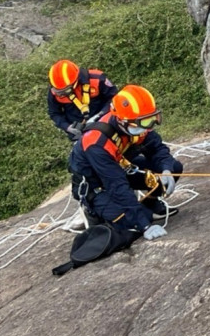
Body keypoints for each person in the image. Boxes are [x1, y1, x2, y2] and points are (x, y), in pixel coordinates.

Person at [67, 84, 182, 242]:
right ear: (122, 122)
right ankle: (93, 211)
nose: (147, 127)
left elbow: (157, 149)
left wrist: (167, 170)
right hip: (97, 184)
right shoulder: (96, 143)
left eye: (150, 119)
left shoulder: (136, 123)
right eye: (144, 122)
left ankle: (149, 205)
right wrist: (144, 226)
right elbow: (116, 185)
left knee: (175, 167)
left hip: (121, 168)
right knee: (125, 224)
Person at [47, 59, 118, 144]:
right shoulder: (54, 93)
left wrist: (101, 115)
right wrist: (67, 127)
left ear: (75, 82)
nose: (60, 94)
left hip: (106, 121)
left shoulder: (96, 79)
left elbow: (114, 98)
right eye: (57, 91)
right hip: (80, 131)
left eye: (63, 91)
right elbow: (54, 113)